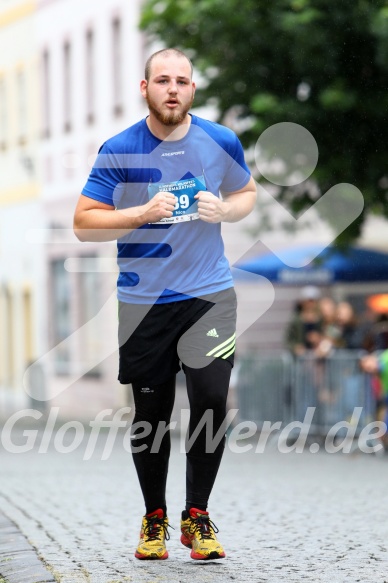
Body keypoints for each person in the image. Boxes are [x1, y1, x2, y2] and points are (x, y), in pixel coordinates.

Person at [73, 48, 256, 561]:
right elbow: (83, 223)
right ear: (145, 87)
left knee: (211, 404)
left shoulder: (219, 140)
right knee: (151, 416)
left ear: (192, 90)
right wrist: (139, 213)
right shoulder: (119, 148)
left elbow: (247, 193)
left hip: (209, 296)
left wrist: (227, 209)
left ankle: (196, 517)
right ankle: (154, 518)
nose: (172, 89)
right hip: (144, 302)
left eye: (181, 81)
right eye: (162, 80)